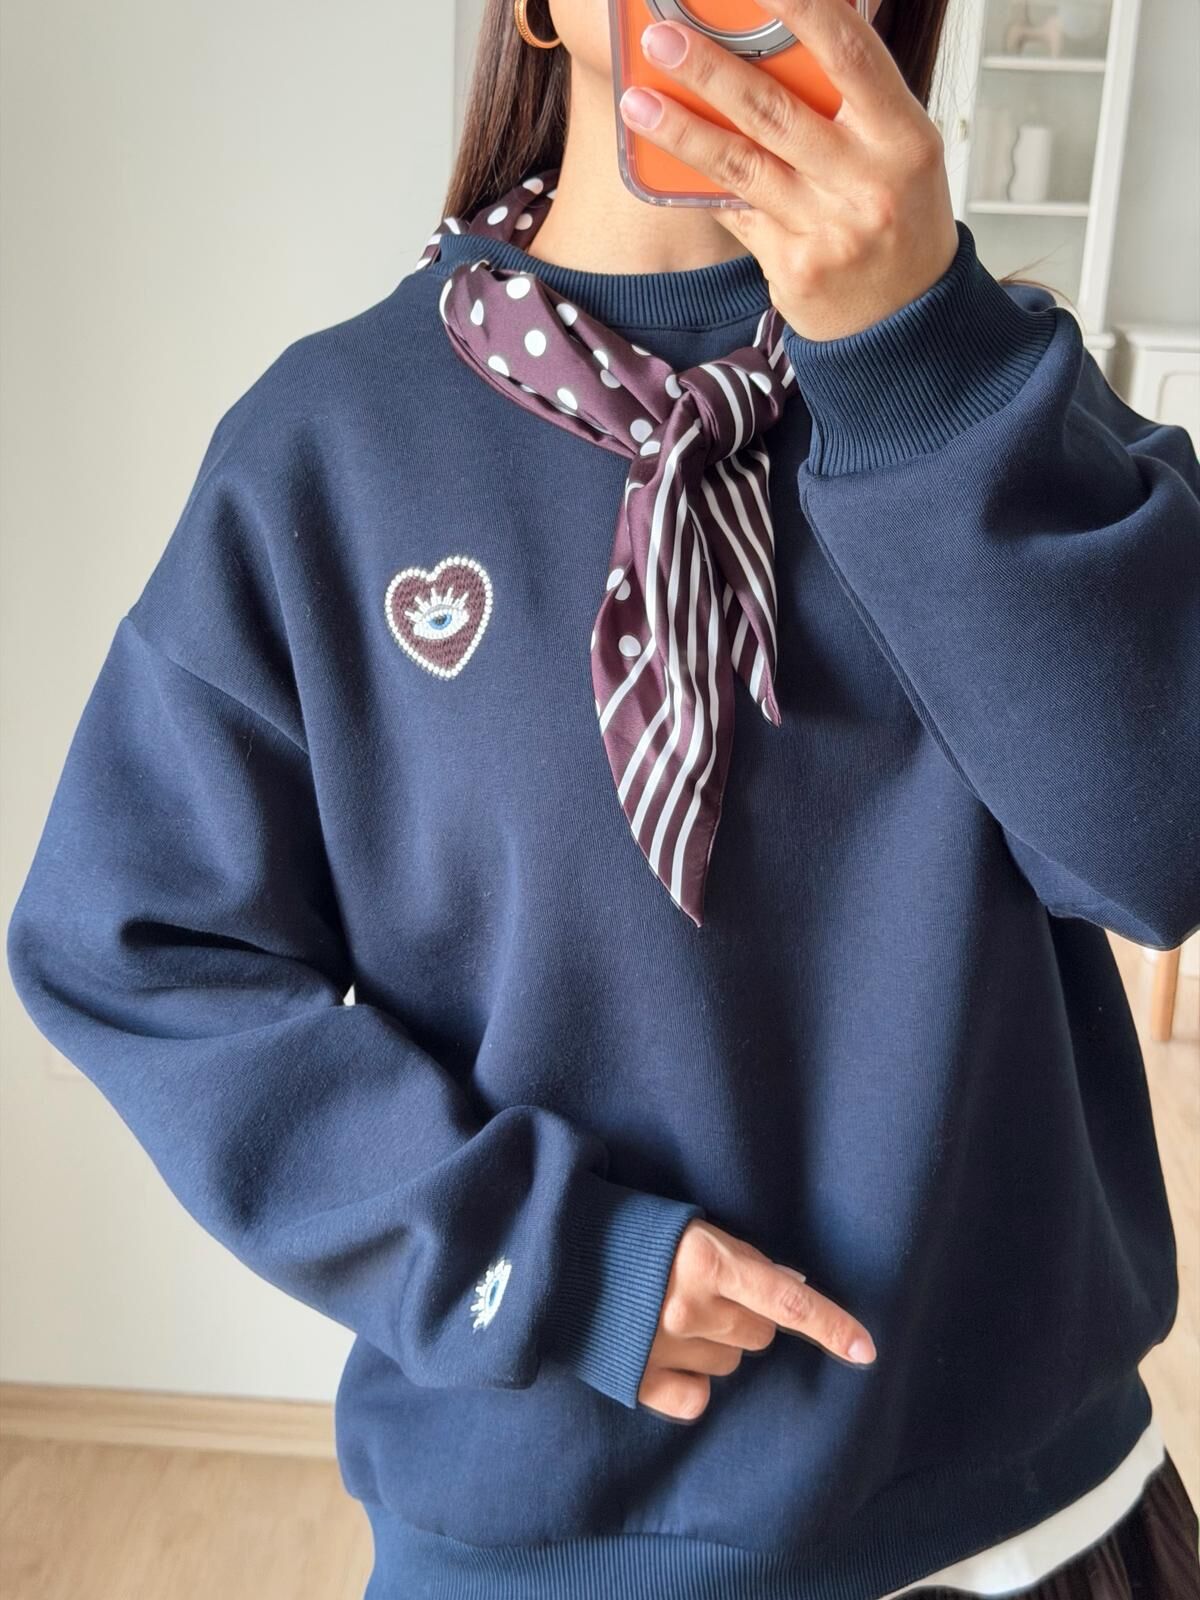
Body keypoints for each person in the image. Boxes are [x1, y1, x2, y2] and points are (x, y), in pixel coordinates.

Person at [7, 0, 1200, 1595]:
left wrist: (919, 371)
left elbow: (1157, 851)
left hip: (1039, 1528)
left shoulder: (1008, 389)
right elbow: (131, 945)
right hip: (540, 1531)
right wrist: (545, 1259)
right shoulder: (327, 448)